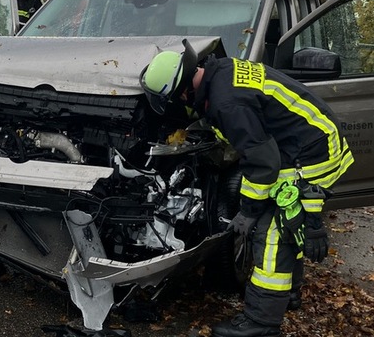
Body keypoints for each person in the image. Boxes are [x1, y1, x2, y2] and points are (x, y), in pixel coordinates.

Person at [139, 42, 354, 337]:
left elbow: (263, 163)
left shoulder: (227, 103)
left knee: (273, 232)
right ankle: (288, 295)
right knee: (285, 223)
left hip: (313, 155)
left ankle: (261, 323)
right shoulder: (221, 71)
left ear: (184, 91)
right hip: (307, 140)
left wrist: (248, 211)